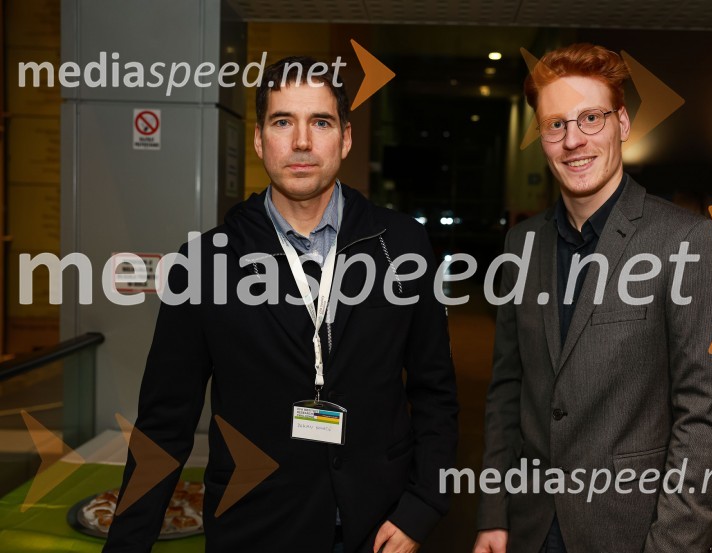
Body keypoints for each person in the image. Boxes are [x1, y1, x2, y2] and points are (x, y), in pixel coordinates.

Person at [104, 56, 458, 553]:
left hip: (378, 527)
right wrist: (126, 545)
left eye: (320, 121)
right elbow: (164, 424)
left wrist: (423, 507)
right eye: (282, 122)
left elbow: (435, 392)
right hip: (255, 529)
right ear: (258, 140)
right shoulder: (204, 264)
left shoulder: (402, 246)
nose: (301, 142)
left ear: (346, 138)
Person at [473, 43, 712, 553]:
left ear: (622, 123)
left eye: (590, 118)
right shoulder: (521, 245)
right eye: (555, 125)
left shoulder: (689, 243)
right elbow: (507, 391)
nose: (573, 140)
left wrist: (671, 545)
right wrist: (492, 514)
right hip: (531, 529)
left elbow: (704, 419)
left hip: (639, 535)